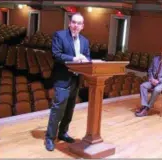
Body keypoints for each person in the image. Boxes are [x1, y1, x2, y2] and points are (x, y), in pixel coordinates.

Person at [45, 13, 90, 151]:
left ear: (82, 26)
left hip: (76, 80)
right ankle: (50, 138)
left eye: (79, 23)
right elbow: (56, 55)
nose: (76, 25)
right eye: (74, 22)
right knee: (57, 110)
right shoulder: (60, 35)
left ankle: (63, 133)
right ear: (70, 23)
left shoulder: (85, 41)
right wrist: (74, 59)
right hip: (62, 79)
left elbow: (87, 56)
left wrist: (86, 59)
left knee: (69, 109)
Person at [135, 44, 162, 117]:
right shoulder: (155, 59)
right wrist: (151, 78)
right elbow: (150, 70)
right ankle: (144, 105)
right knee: (143, 86)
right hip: (153, 80)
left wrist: (159, 81)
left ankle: (147, 109)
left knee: (156, 89)